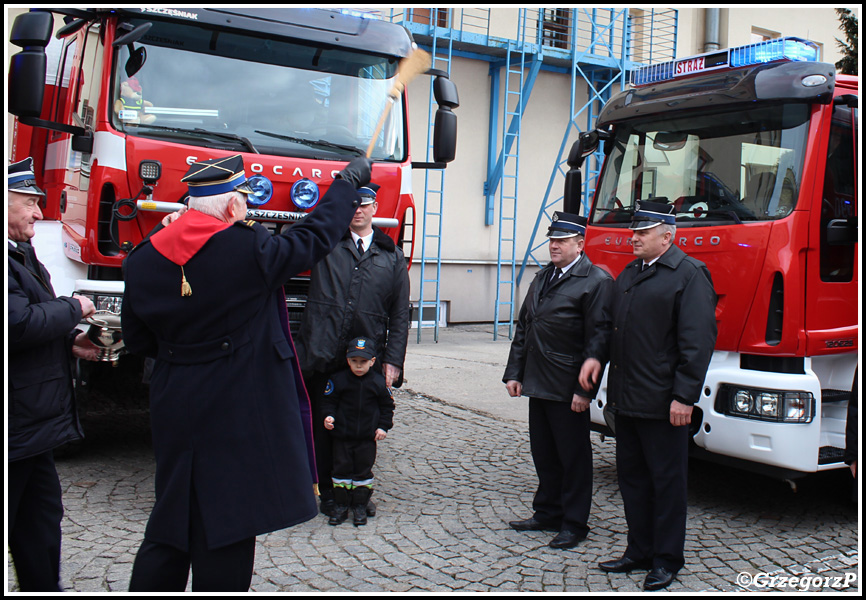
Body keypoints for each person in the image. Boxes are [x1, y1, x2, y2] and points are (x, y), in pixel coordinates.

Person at [121, 154, 371, 591]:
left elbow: (139, 342)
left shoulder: (142, 258)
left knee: (173, 513)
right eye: (245, 201)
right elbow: (314, 236)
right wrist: (346, 183)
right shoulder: (248, 248)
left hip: (174, 403)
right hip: (234, 404)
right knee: (230, 519)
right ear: (234, 207)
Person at [580, 200, 717, 591]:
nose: (634, 237)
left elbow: (698, 342)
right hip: (627, 399)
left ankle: (666, 559)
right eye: (634, 231)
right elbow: (609, 327)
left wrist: (684, 397)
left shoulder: (689, 275)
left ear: (667, 236)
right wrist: (594, 357)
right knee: (633, 480)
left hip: (663, 404)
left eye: (642, 232)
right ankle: (638, 550)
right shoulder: (630, 273)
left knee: (666, 483)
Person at [8, 157, 100, 591]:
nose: (38, 213)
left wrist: (69, 343)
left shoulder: (20, 253)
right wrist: (74, 308)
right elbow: (18, 324)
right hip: (16, 424)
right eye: (28, 202)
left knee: (41, 518)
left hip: (32, 425)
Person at [296, 181, 410, 518]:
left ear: (375, 208)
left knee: (361, 429)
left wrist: (393, 360)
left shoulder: (391, 256)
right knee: (325, 426)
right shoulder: (325, 243)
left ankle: (359, 493)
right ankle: (329, 494)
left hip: (365, 357)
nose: (357, 210)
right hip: (324, 351)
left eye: (363, 204)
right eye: (351, 205)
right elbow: (300, 235)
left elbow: (400, 313)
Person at [503, 212, 613, 550]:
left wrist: (585, 390)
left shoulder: (595, 281)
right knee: (544, 453)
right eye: (552, 239)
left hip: (568, 386)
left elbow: (599, 339)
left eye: (562, 240)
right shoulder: (543, 277)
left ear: (579, 244)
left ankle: (574, 522)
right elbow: (526, 327)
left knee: (573, 458)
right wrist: (515, 372)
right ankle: (548, 511)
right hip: (539, 381)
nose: (554, 245)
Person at [321, 336, 394, 527]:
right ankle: (341, 505)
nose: (358, 366)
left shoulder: (378, 383)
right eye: (354, 361)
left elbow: (387, 407)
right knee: (340, 471)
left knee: (363, 471)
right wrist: (329, 416)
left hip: (367, 439)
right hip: (342, 437)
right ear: (347, 360)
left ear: (372, 361)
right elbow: (329, 401)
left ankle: (360, 505)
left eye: (363, 362)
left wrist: (383, 427)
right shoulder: (339, 380)